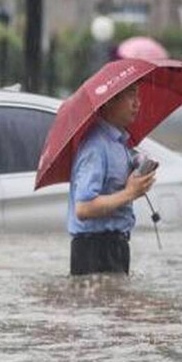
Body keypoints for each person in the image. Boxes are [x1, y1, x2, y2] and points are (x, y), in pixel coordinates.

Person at [68, 83, 156, 275]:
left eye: (138, 96)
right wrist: (130, 193)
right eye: (131, 96)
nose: (137, 103)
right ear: (109, 101)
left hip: (117, 245)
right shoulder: (95, 146)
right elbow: (83, 208)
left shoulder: (120, 143)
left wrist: (136, 181)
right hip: (94, 250)